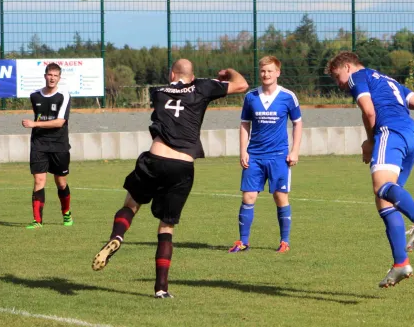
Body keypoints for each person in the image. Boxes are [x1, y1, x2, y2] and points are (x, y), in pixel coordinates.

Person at [91, 59, 249, 299]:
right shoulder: (202, 87)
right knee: (166, 226)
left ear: (171, 73)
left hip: (156, 158)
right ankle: (161, 289)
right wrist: (228, 72)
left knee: (131, 204)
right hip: (183, 165)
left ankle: (117, 237)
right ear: (192, 75)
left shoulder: (159, 92)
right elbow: (242, 85)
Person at [326, 51, 414, 288]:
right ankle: (401, 264)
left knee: (382, 187)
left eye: (337, 77)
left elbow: (369, 111)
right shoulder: (390, 82)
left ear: (347, 67)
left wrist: (370, 142)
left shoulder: (357, 78)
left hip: (390, 133)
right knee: (386, 200)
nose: (339, 84)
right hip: (411, 138)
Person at [228, 56, 302, 254]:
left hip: (279, 156)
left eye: (270, 71)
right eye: (263, 71)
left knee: (280, 197)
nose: (266, 74)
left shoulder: (288, 96)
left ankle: (284, 242)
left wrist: (294, 150)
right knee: (248, 196)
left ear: (277, 72)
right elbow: (245, 124)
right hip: (255, 156)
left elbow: (298, 123)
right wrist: (243, 150)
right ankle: (243, 242)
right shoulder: (251, 97)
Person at [21, 62, 73, 229]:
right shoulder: (34, 95)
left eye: (55, 76)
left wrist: (34, 125)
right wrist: (35, 125)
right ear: (45, 76)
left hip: (59, 144)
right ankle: (37, 221)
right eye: (49, 75)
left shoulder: (64, 95)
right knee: (39, 180)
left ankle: (66, 213)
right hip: (39, 144)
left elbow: (60, 122)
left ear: (59, 78)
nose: (52, 78)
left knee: (61, 182)